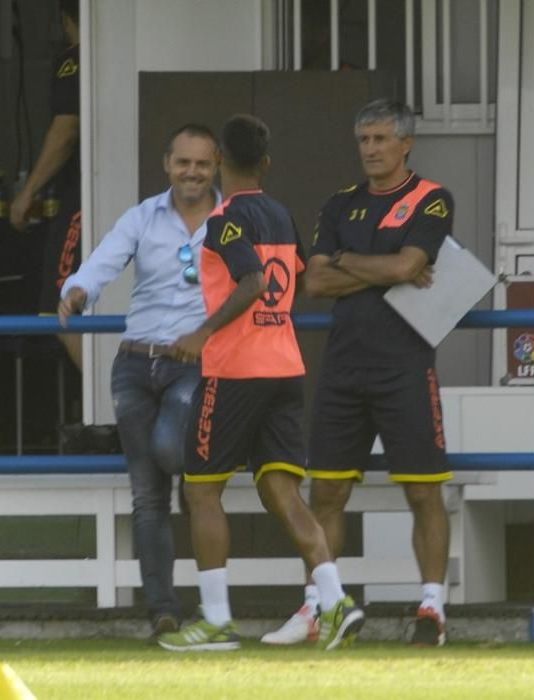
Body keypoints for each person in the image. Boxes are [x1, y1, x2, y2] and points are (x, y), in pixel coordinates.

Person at [157, 114, 363, 653]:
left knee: (201, 490)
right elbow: (290, 279)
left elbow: (250, 281)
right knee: (281, 490)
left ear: (220, 161)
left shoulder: (225, 221)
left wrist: (202, 333)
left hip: (234, 370)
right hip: (285, 367)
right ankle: (335, 599)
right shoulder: (280, 214)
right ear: (266, 163)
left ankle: (217, 619)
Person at [262, 98, 454, 648]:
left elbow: (406, 265)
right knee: (327, 492)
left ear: (406, 143)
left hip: (406, 365)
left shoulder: (431, 198)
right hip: (343, 364)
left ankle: (432, 609)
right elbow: (315, 283)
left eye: (380, 139)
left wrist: (349, 261)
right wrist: (378, 269)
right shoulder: (340, 203)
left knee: (423, 492)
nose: (370, 149)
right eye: (364, 140)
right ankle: (320, 606)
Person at [58, 123, 221, 639]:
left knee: (169, 453)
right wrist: (79, 291)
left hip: (191, 365)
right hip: (133, 365)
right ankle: (163, 609)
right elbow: (103, 260)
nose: (191, 172)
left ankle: (186, 598)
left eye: (202, 163)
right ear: (167, 164)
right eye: (183, 162)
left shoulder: (233, 220)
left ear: (216, 167)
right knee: (148, 497)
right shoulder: (143, 215)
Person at [10, 0, 82, 369]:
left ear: (64, 19)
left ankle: (117, 408)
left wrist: (27, 192)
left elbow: (66, 132)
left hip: (85, 199)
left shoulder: (76, 60)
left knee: (57, 306)